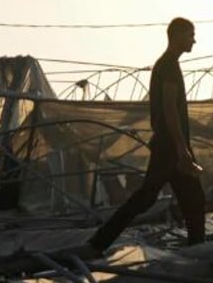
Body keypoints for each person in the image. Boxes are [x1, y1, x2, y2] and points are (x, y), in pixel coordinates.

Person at [88, 17, 206, 252]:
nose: (194, 40)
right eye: (190, 34)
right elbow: (169, 109)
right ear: (178, 35)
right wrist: (182, 148)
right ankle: (98, 242)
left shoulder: (166, 64)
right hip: (170, 147)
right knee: (157, 198)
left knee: (187, 199)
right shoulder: (169, 66)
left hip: (168, 145)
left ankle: (197, 248)